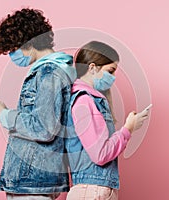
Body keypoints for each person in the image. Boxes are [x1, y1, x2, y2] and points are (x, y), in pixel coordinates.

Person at [0, 8, 77, 200]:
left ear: (29, 42)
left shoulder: (49, 73)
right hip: (34, 179)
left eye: (13, 49)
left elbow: (45, 128)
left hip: (32, 180)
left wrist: (3, 115)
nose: (12, 56)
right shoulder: (52, 71)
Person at [65, 41, 150, 199]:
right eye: (110, 71)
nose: (112, 78)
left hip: (91, 189)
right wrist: (128, 129)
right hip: (92, 190)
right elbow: (100, 154)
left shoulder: (86, 99)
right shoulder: (84, 101)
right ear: (92, 67)